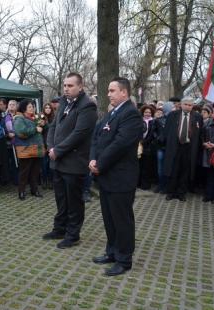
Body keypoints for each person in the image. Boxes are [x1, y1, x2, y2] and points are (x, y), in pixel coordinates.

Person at [89, 77, 143, 276]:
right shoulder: (112, 113)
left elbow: (120, 145)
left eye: (112, 90)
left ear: (124, 92)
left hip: (121, 178)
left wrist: (99, 164)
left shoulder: (131, 115)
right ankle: (111, 252)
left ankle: (124, 259)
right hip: (105, 176)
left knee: (122, 220)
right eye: (108, 90)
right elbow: (96, 137)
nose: (108, 94)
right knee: (109, 219)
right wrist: (93, 159)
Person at [43, 72, 97, 249]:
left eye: (70, 85)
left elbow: (79, 134)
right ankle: (60, 228)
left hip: (74, 162)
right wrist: (51, 147)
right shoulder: (64, 103)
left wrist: (57, 150)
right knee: (60, 198)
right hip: (58, 161)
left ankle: (73, 235)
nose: (66, 89)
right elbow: (53, 127)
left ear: (80, 87)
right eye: (65, 85)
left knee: (74, 201)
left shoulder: (87, 106)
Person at [163, 97, 202, 202]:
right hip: (175, 146)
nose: (188, 107)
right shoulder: (173, 115)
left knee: (185, 171)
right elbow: (166, 131)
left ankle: (181, 193)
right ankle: (170, 192)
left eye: (190, 105)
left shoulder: (198, 116)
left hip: (189, 147)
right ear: (181, 104)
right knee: (173, 169)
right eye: (186, 104)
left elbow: (200, 133)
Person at [13, 99, 45, 200]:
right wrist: (35, 129)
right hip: (25, 149)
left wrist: (43, 124)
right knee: (24, 172)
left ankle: (34, 190)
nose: (33, 108)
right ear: (24, 108)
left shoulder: (35, 118)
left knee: (35, 172)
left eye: (33, 107)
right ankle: (21, 191)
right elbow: (21, 132)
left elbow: (43, 130)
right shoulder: (19, 119)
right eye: (30, 107)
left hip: (37, 149)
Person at [138, 104, 156, 190]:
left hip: (148, 147)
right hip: (138, 146)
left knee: (147, 166)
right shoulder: (139, 121)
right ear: (143, 112)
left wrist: (144, 142)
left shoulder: (154, 122)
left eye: (149, 112)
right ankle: (138, 183)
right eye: (146, 112)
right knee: (139, 165)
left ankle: (145, 184)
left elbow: (153, 135)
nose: (147, 114)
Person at [4, 100, 19, 185]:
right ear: (8, 106)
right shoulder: (4, 117)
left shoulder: (19, 116)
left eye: (13, 104)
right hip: (8, 143)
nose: (12, 106)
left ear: (16, 106)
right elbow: (2, 128)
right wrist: (7, 134)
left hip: (18, 142)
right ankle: (9, 179)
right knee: (8, 162)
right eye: (10, 104)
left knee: (16, 162)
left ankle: (16, 180)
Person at [41, 103, 55, 189]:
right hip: (43, 143)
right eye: (46, 108)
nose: (48, 109)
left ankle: (50, 181)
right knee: (43, 164)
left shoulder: (54, 118)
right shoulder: (41, 117)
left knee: (51, 164)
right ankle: (44, 181)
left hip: (52, 145)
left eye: (49, 108)